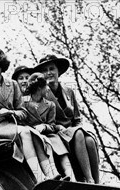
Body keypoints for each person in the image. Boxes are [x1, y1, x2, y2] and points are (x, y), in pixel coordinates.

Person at [0, 48, 58, 182]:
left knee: (34, 133)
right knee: (25, 132)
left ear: (2, 63)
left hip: (10, 125)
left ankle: (51, 174)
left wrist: (11, 112)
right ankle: (40, 178)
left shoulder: (12, 84)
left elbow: (23, 112)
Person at [33, 54, 100, 183]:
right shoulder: (40, 94)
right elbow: (42, 120)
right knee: (79, 133)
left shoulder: (69, 91)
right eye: (45, 71)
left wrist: (76, 127)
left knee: (90, 140)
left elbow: (77, 118)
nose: (49, 73)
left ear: (58, 71)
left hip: (72, 131)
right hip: (55, 132)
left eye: (51, 69)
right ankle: (89, 179)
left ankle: (97, 183)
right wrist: (62, 128)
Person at [24, 72, 76, 181]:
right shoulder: (24, 103)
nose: (48, 89)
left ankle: (71, 177)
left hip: (48, 134)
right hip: (32, 135)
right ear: (39, 88)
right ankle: (52, 174)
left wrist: (44, 126)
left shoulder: (50, 104)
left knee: (59, 146)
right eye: (45, 86)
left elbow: (52, 125)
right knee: (43, 142)